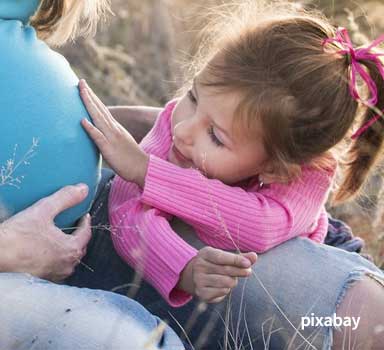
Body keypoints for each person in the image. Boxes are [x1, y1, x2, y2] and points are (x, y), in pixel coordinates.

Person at [1, 1, 383, 349]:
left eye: (215, 135)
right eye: (193, 96)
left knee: (363, 324)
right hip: (144, 249)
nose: (182, 129)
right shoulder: (183, 127)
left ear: (276, 169)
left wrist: (147, 170)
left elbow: (260, 226)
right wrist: (179, 266)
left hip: (261, 249)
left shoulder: (303, 176)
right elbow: (126, 210)